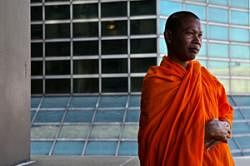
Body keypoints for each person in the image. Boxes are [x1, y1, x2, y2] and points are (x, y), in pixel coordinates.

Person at [138, 11, 234, 166]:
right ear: (169, 36)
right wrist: (201, 133)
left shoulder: (205, 77)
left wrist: (224, 125)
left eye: (200, 35)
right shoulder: (157, 81)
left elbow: (225, 109)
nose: (197, 41)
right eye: (190, 33)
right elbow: (154, 142)